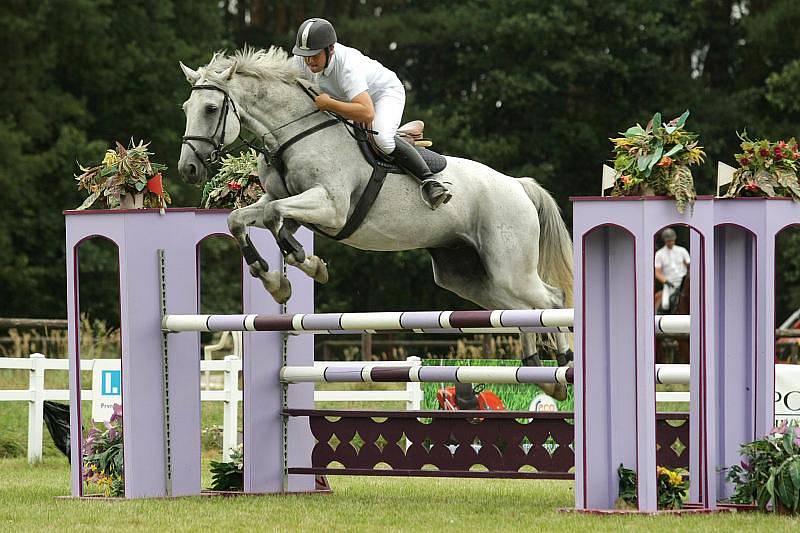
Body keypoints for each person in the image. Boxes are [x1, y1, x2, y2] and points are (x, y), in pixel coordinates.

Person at [292, 18, 452, 209]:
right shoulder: (301, 60)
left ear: (330, 49)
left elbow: (367, 113)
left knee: (382, 138)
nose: (309, 60)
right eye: (305, 54)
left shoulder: (347, 67)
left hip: (383, 95)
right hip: (349, 99)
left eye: (315, 55)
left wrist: (330, 104)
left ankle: (430, 183)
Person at [654, 227, 690, 311]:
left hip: (683, 280)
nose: (670, 242)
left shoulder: (682, 251)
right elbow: (657, 272)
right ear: (665, 241)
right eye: (668, 241)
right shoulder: (659, 254)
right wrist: (666, 281)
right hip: (670, 283)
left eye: (672, 240)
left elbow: (689, 265)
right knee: (665, 304)